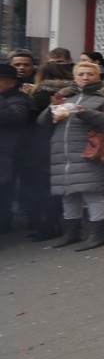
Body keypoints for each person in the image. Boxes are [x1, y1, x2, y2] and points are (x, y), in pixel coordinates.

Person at [38, 61, 104, 251]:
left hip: (89, 151)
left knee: (92, 193)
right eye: (81, 74)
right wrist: (51, 108)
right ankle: (71, 233)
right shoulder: (65, 95)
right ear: (74, 77)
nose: (85, 77)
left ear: (98, 76)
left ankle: (97, 235)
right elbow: (42, 122)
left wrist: (84, 111)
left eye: (90, 74)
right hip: (62, 153)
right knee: (68, 194)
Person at [24, 62, 73, 241]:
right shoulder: (71, 92)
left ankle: (48, 225)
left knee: (42, 186)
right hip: (63, 141)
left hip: (40, 143)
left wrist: (26, 95)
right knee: (54, 186)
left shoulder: (38, 93)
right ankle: (54, 222)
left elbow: (32, 118)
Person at [0, 64, 32, 234]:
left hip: (7, 154)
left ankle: (4, 223)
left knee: (4, 191)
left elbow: (11, 118)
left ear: (12, 83)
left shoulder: (20, 100)